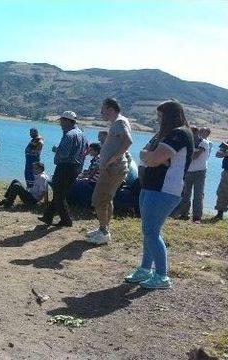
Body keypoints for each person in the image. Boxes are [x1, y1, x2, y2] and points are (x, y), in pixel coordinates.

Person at [125, 100, 193, 289]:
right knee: (148, 231)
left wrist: (151, 157)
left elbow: (152, 158)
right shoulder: (163, 134)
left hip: (165, 190)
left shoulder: (179, 134)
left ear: (169, 116)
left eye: (160, 116)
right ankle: (145, 269)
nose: (158, 119)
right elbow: (144, 154)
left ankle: (162, 276)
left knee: (152, 232)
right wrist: (150, 157)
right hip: (150, 187)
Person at [87, 98, 133, 245]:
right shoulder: (119, 122)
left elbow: (128, 141)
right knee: (107, 198)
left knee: (98, 198)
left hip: (113, 168)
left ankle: (104, 232)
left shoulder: (119, 122)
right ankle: (103, 229)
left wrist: (112, 160)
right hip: (114, 168)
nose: (101, 112)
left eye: (103, 109)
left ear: (110, 109)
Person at [39, 111, 87, 227]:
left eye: (61, 121)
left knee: (59, 194)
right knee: (60, 193)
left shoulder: (69, 135)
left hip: (65, 167)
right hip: (75, 168)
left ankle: (66, 220)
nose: (60, 124)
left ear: (67, 121)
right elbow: (83, 153)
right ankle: (48, 216)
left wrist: (56, 150)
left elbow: (64, 154)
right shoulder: (81, 134)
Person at [172, 126, 210, 222]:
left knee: (198, 194)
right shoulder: (189, 143)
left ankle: (197, 217)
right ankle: (184, 214)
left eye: (192, 133)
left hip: (200, 171)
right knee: (185, 193)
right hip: (188, 171)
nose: (190, 135)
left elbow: (195, 156)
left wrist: (184, 153)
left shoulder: (204, 143)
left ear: (196, 133)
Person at [215, 141, 228, 220]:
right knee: (222, 193)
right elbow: (218, 154)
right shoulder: (226, 144)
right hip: (226, 172)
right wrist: (226, 153)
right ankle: (220, 214)